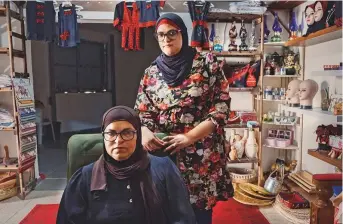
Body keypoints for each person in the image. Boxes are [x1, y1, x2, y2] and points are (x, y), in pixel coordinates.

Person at [135, 13, 234, 224]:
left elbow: (221, 107)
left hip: (200, 154)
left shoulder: (208, 63)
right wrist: (144, 132)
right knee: (166, 211)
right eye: (160, 34)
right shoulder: (151, 72)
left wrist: (189, 138)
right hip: (164, 154)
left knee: (199, 214)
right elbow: (144, 112)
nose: (166, 38)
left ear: (183, 33)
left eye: (172, 32)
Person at [57, 106, 196, 224]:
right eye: (111, 133)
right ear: (103, 136)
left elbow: (183, 218)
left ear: (138, 136)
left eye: (127, 133)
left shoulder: (163, 169)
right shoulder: (85, 177)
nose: (118, 141)